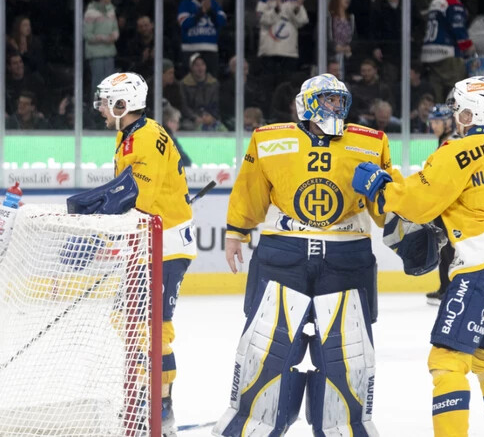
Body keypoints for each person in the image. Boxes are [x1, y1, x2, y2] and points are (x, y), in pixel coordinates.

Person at [352, 76, 484, 437]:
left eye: (459, 107)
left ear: (473, 111)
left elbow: (418, 203)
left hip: (478, 273)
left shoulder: (455, 151)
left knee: (447, 361)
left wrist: (382, 186)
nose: (455, 113)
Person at [213, 73, 399, 437]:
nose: (336, 107)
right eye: (328, 100)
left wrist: (394, 204)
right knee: (264, 353)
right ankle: (251, 427)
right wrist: (236, 232)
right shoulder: (269, 139)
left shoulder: (371, 142)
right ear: (307, 104)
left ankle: (344, 429)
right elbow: (250, 192)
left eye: (339, 101)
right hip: (284, 254)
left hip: (347, 258)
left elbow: (386, 207)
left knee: (347, 360)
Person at [93, 72, 197, 437]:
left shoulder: (148, 137)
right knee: (129, 320)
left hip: (166, 247)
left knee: (155, 328)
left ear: (123, 104)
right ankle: (144, 391)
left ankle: (162, 407)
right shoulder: (130, 136)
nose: (101, 107)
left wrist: (101, 222)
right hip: (148, 244)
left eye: (107, 100)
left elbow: (141, 199)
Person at [423, 104, 458, 306]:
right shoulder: (444, 140)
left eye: (437, 121)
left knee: (449, 249)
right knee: (444, 248)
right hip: (442, 203)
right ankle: (445, 287)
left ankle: (450, 289)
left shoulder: (452, 142)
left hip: (449, 203)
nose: (433, 125)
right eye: (432, 121)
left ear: (448, 121)